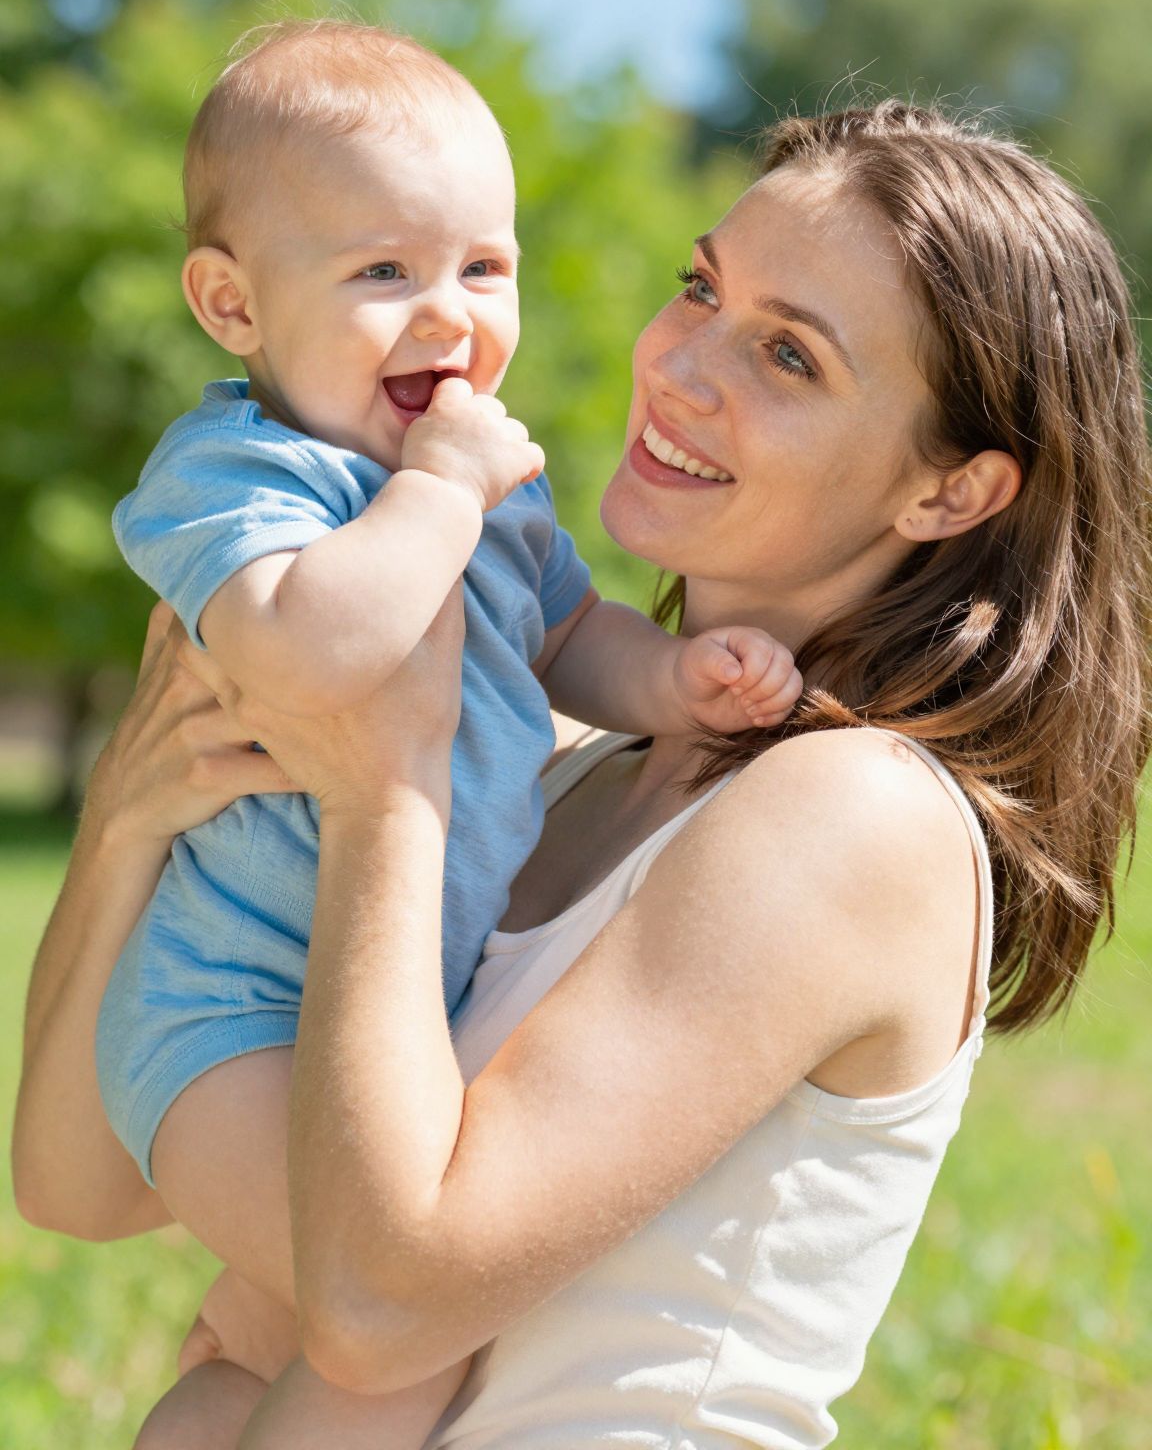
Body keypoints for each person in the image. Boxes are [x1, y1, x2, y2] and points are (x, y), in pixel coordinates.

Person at [14, 101, 1150, 1450]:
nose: (680, 365)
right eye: (701, 289)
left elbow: (376, 1313)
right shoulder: (543, 772)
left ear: (950, 494)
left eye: (789, 354)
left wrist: (387, 794)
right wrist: (130, 821)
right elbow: (75, 1181)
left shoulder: (858, 812)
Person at [91, 17, 801, 1446]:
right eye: (381, 273)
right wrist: (440, 494)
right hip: (224, 1019)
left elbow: (563, 634)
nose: (447, 315)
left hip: (375, 1013)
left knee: (264, 1337)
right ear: (232, 306)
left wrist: (671, 682)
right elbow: (313, 650)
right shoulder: (240, 474)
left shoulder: (476, 484)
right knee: (399, 1341)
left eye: (484, 267)